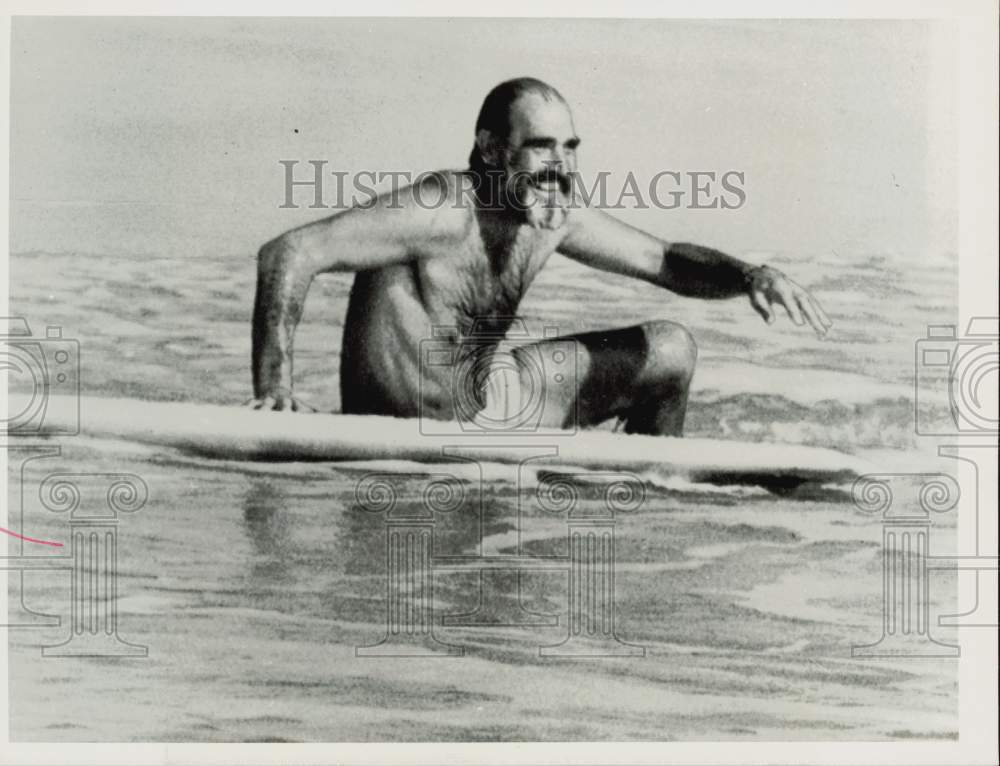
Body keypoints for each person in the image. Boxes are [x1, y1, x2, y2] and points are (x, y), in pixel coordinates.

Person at [249, 77, 830, 436]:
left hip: (487, 409)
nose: (561, 162)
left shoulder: (551, 215)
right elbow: (290, 251)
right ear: (491, 148)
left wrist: (752, 275)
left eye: (570, 146)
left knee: (672, 350)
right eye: (541, 145)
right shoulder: (439, 210)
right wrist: (276, 387)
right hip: (402, 428)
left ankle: (650, 496)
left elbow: (664, 260)